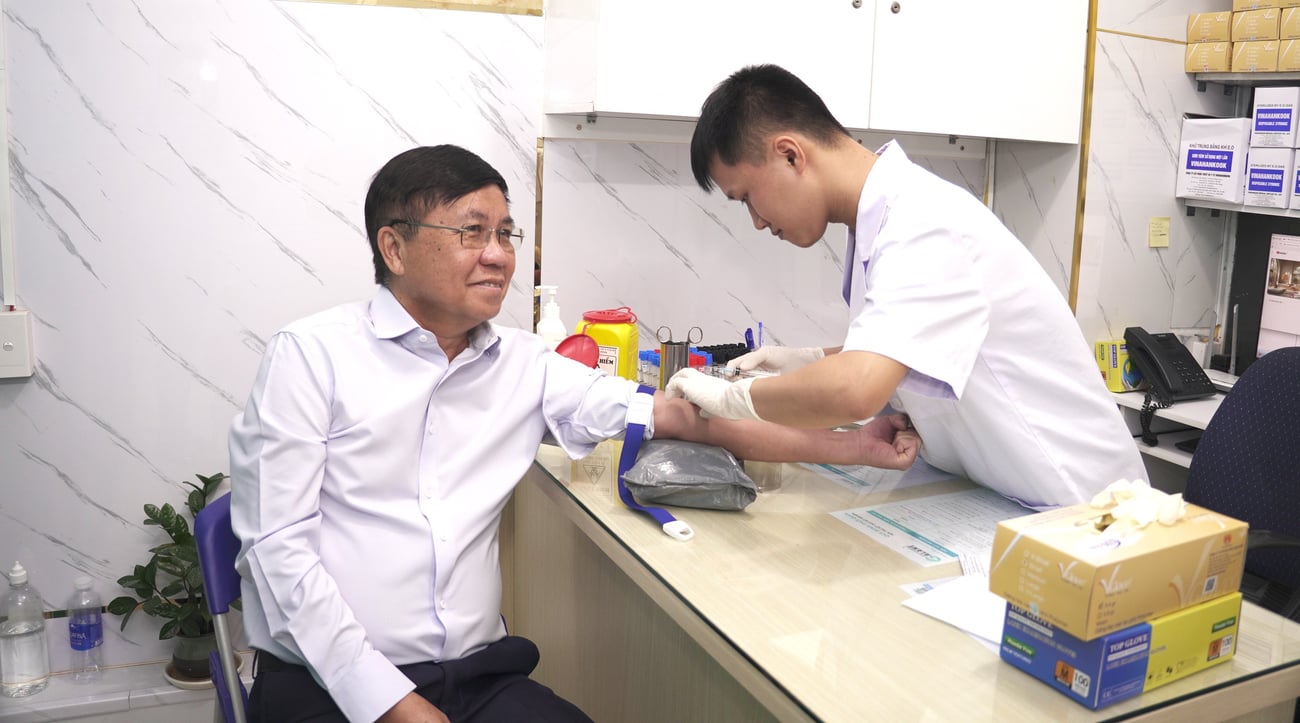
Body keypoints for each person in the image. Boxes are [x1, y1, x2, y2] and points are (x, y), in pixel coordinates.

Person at [228, 144, 920, 723]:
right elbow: (276, 551)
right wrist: (389, 703)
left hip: (476, 679)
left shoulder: (523, 363)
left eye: (506, 233)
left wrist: (852, 444)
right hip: (328, 682)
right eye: (471, 232)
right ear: (395, 247)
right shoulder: (310, 357)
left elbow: (686, 417)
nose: (498, 255)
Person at [665, 64, 1146, 510]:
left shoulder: (922, 222)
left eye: (746, 197)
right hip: (1006, 496)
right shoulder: (881, 223)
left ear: (790, 154)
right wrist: (808, 360)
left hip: (1088, 509)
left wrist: (735, 398)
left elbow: (857, 390)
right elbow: (911, 347)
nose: (755, 220)